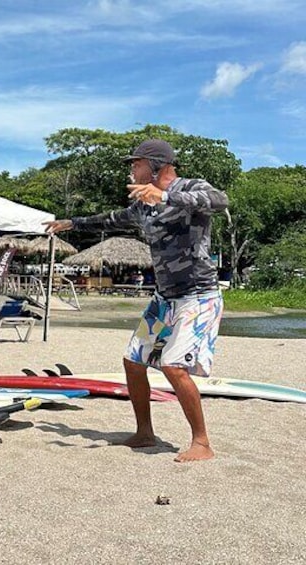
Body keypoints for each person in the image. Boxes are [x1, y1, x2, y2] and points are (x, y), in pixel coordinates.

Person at [44, 139, 228, 463]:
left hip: (198, 296)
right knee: (133, 360)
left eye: (136, 163)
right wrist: (72, 223)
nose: (132, 169)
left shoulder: (190, 187)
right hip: (165, 298)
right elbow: (111, 219)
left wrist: (166, 195)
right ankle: (145, 432)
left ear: (157, 165)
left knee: (173, 365)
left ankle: (202, 442)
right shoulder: (142, 204)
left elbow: (219, 200)